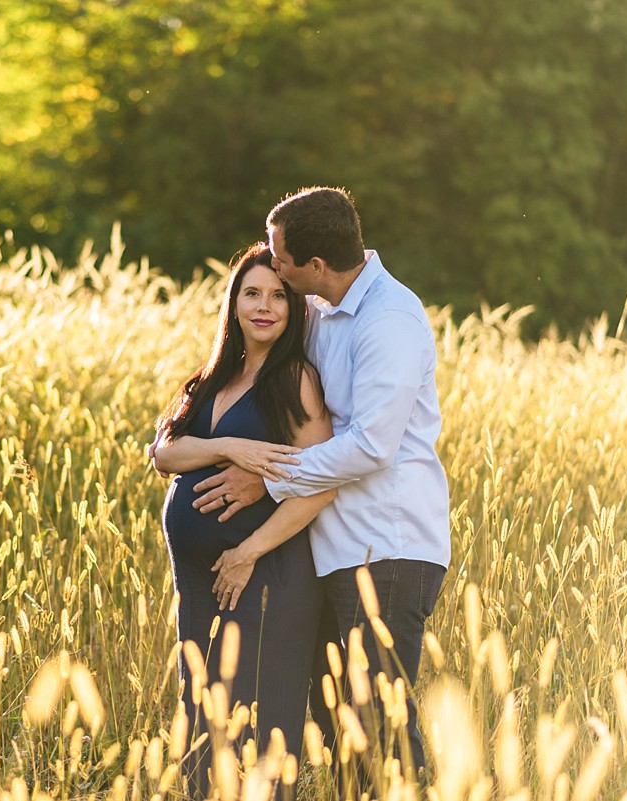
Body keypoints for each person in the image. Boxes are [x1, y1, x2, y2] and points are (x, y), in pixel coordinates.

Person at [190, 187, 451, 788]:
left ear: (315, 266)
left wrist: (266, 480)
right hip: (333, 553)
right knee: (339, 725)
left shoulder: (390, 320)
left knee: (377, 721)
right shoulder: (320, 311)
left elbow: (370, 445)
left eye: (279, 257)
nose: (272, 264)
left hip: (387, 550)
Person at [151, 242, 336, 797]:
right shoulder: (211, 377)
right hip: (201, 585)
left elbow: (321, 485)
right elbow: (164, 453)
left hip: (263, 580)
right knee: (202, 712)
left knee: (258, 722)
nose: (265, 306)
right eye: (252, 293)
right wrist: (230, 445)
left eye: (279, 296)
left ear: (295, 308)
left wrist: (248, 550)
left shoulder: (295, 380)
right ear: (233, 303)